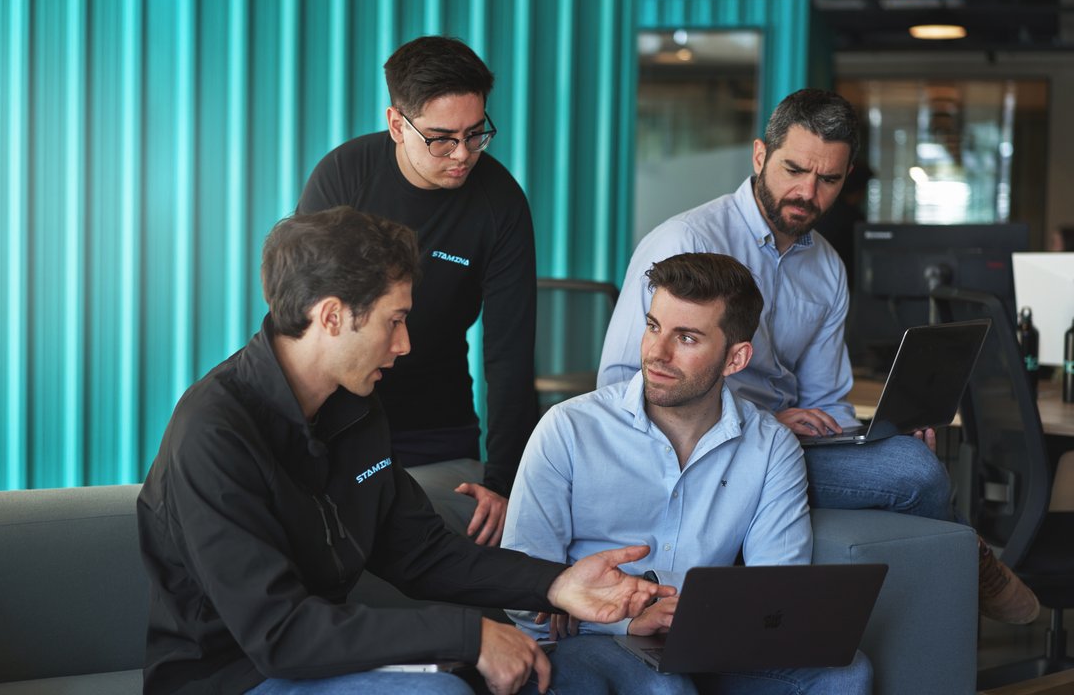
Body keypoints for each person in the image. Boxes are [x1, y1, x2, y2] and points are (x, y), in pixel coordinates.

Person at [136, 207, 672, 695]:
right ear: (331, 316)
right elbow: (280, 634)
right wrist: (468, 636)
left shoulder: (355, 405)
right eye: (394, 321)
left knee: (615, 677)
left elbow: (421, 551)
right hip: (233, 678)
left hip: (325, 664)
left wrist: (556, 583)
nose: (405, 344)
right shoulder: (214, 432)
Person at [597, 88, 1040, 626]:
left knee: (907, 457)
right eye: (794, 170)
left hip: (790, 448)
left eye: (828, 179)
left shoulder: (827, 266)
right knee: (915, 473)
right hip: (706, 450)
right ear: (760, 156)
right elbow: (620, 382)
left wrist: (871, 441)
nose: (807, 192)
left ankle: (944, 589)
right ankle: (970, 561)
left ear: (846, 176)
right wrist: (759, 423)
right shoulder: (686, 240)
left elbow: (827, 400)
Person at [503, 253, 871, 693]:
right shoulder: (569, 428)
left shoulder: (771, 446)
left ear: (735, 358)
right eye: (653, 327)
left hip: (712, 638)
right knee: (665, 688)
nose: (656, 353)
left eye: (687, 338)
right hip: (590, 639)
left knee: (847, 672)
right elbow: (522, 591)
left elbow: (776, 592)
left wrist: (678, 607)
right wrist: (626, 617)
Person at [298, 35, 536, 546]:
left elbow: (510, 352)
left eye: (476, 134)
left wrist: (505, 480)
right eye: (441, 139)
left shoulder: (500, 204)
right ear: (396, 124)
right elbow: (304, 317)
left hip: (437, 429)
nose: (463, 155)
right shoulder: (344, 178)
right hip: (338, 421)